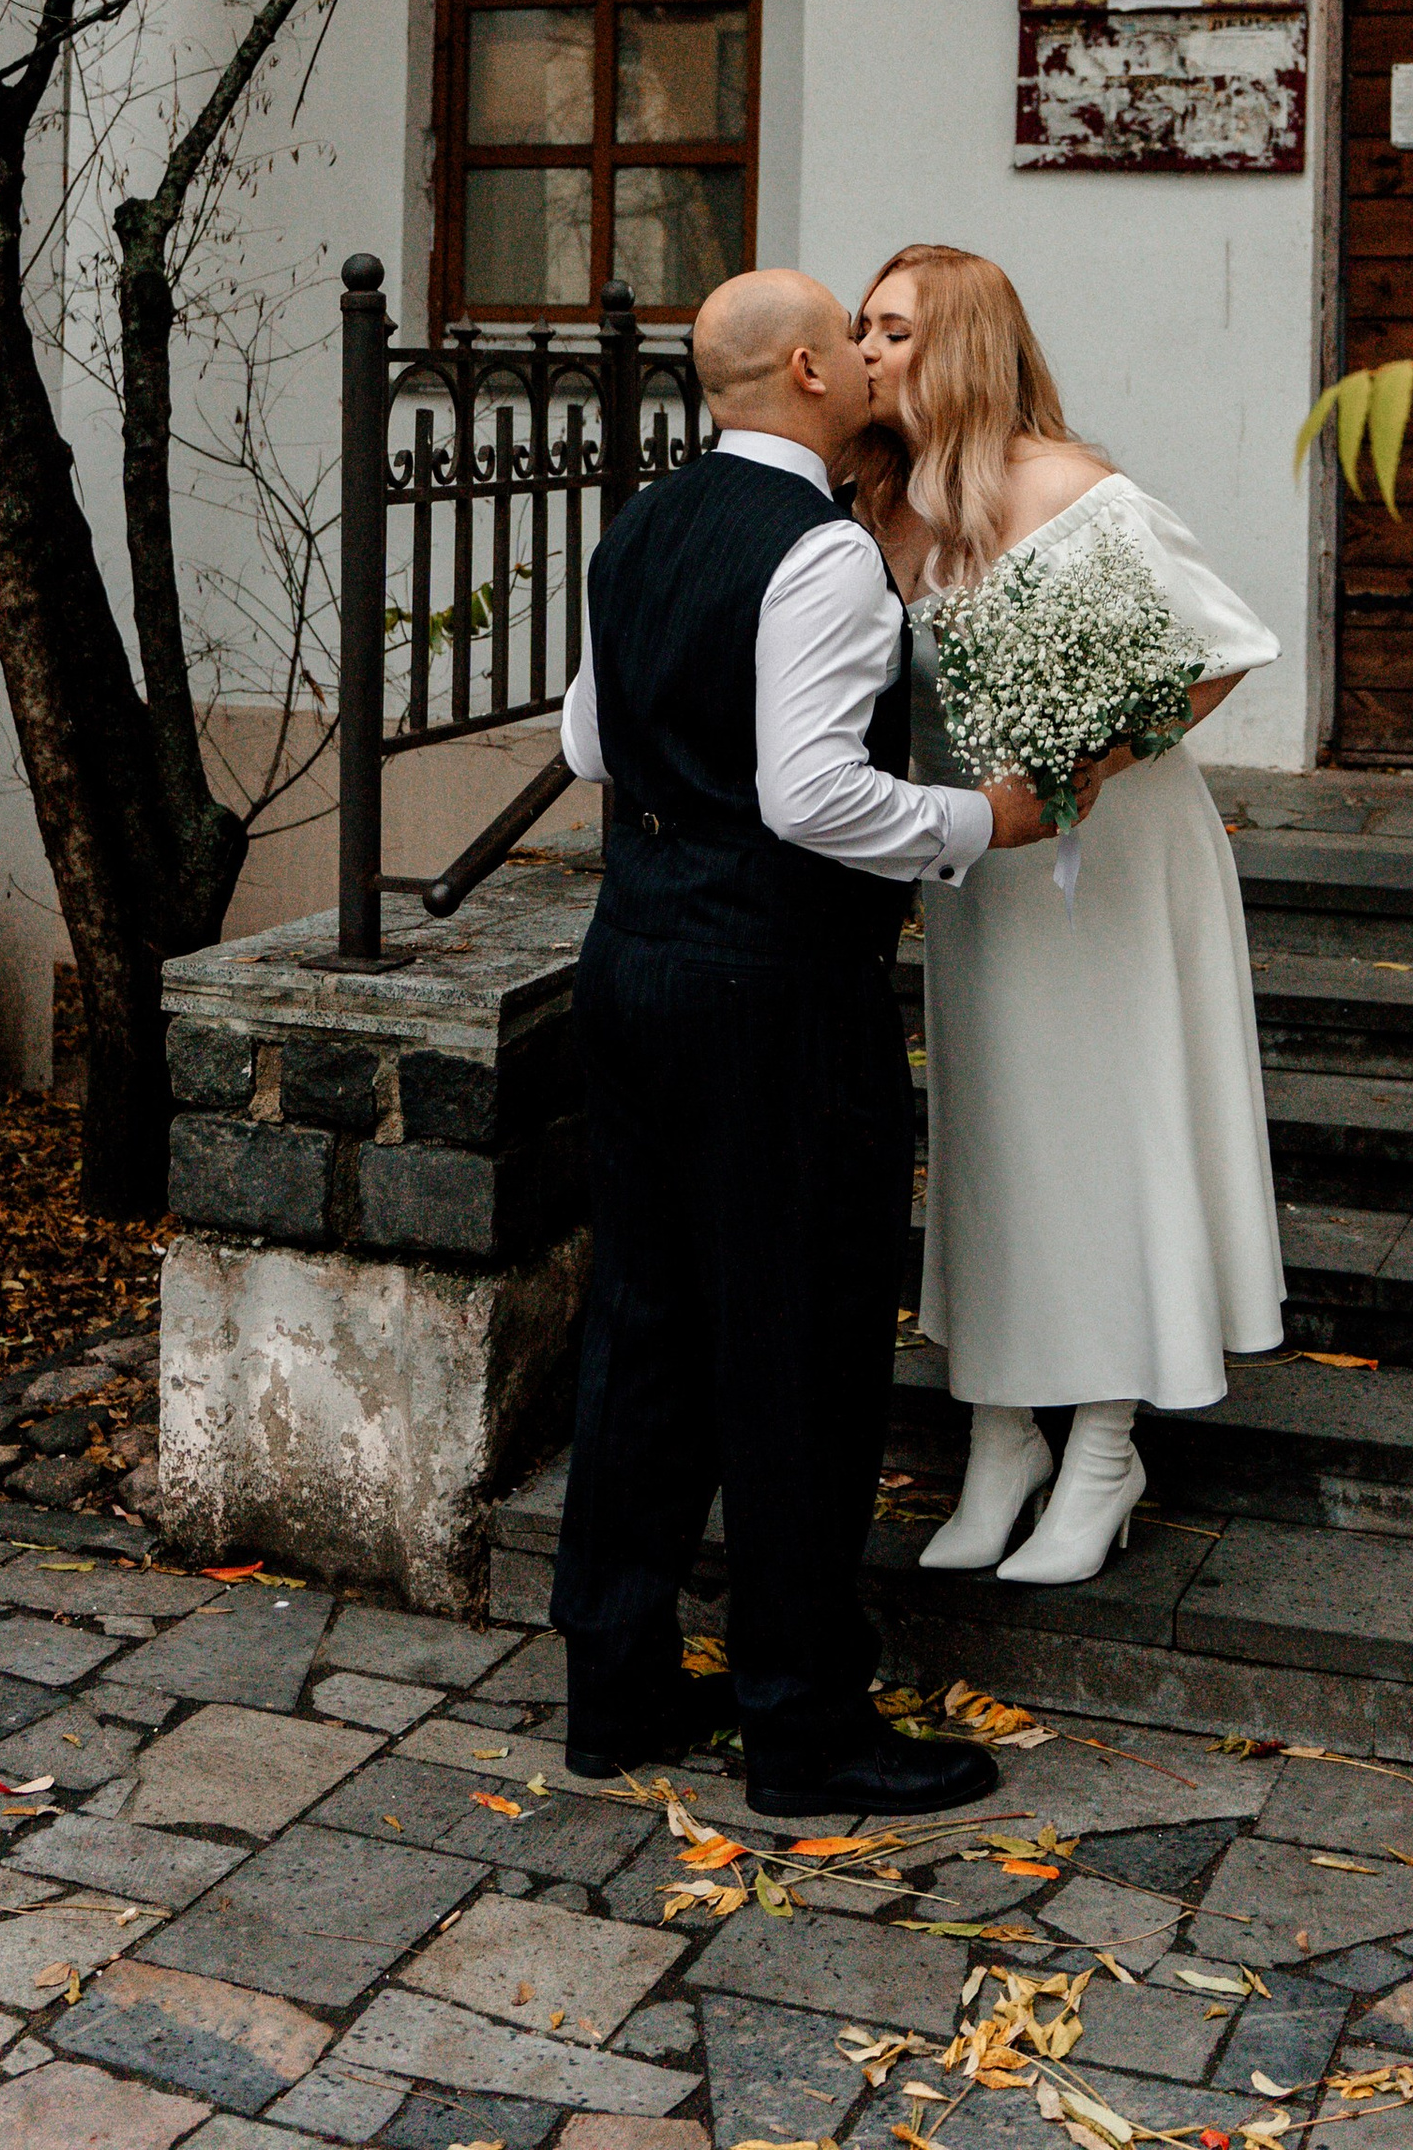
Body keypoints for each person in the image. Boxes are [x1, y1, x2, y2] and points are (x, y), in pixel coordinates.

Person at [548, 265, 1077, 1817]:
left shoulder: (646, 522)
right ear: (803, 372)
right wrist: (986, 818)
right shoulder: (823, 551)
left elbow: (585, 738)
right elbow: (813, 796)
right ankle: (802, 1724)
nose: (866, 350)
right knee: (797, 1346)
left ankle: (617, 1685)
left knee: (644, 1330)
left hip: (630, 965)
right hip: (770, 992)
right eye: (850, 336)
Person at [852, 243, 1286, 1586]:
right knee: (996, 1141)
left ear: (963, 346)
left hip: (1112, 863)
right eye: (862, 328)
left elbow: (1223, 651)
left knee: (1106, 1136)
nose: (866, 351)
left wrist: (1095, 758)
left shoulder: (1073, 491)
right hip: (986, 879)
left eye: (894, 331)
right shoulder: (884, 503)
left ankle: (1104, 1444)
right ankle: (1000, 1435)